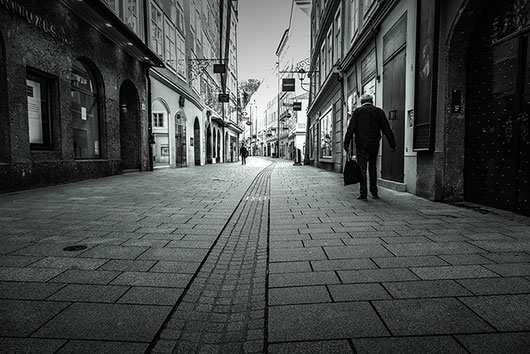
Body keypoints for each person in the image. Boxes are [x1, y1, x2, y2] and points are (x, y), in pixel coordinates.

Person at [344, 94, 396, 200]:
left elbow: (351, 129)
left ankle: (363, 193)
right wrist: (392, 144)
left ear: (362, 102)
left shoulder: (357, 112)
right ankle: (374, 192)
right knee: (373, 167)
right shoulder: (379, 112)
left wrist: (346, 143)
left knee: (362, 168)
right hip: (374, 143)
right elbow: (386, 129)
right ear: (372, 101)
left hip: (361, 143)